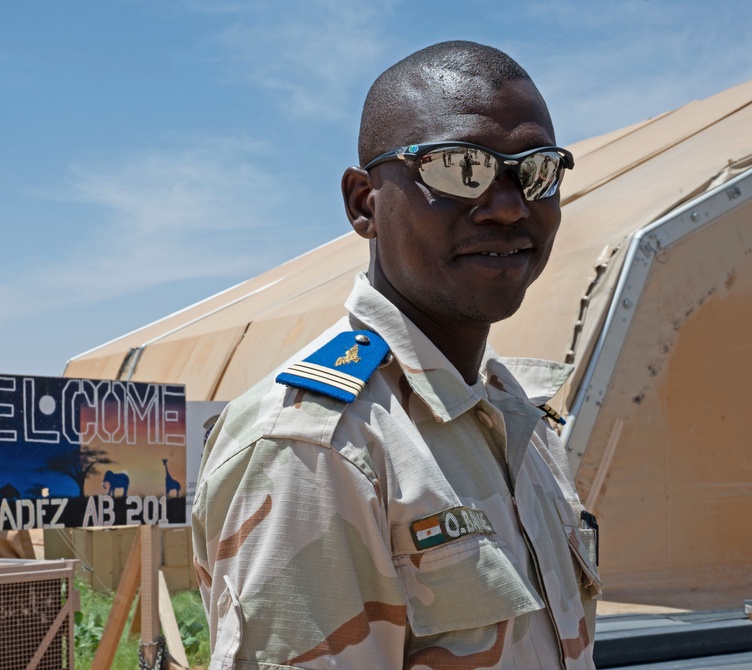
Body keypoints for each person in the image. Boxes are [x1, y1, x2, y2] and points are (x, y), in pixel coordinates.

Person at [192, 40, 601, 670]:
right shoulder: (318, 446)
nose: (508, 204)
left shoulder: (512, 415)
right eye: (459, 168)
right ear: (364, 204)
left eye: (536, 170)